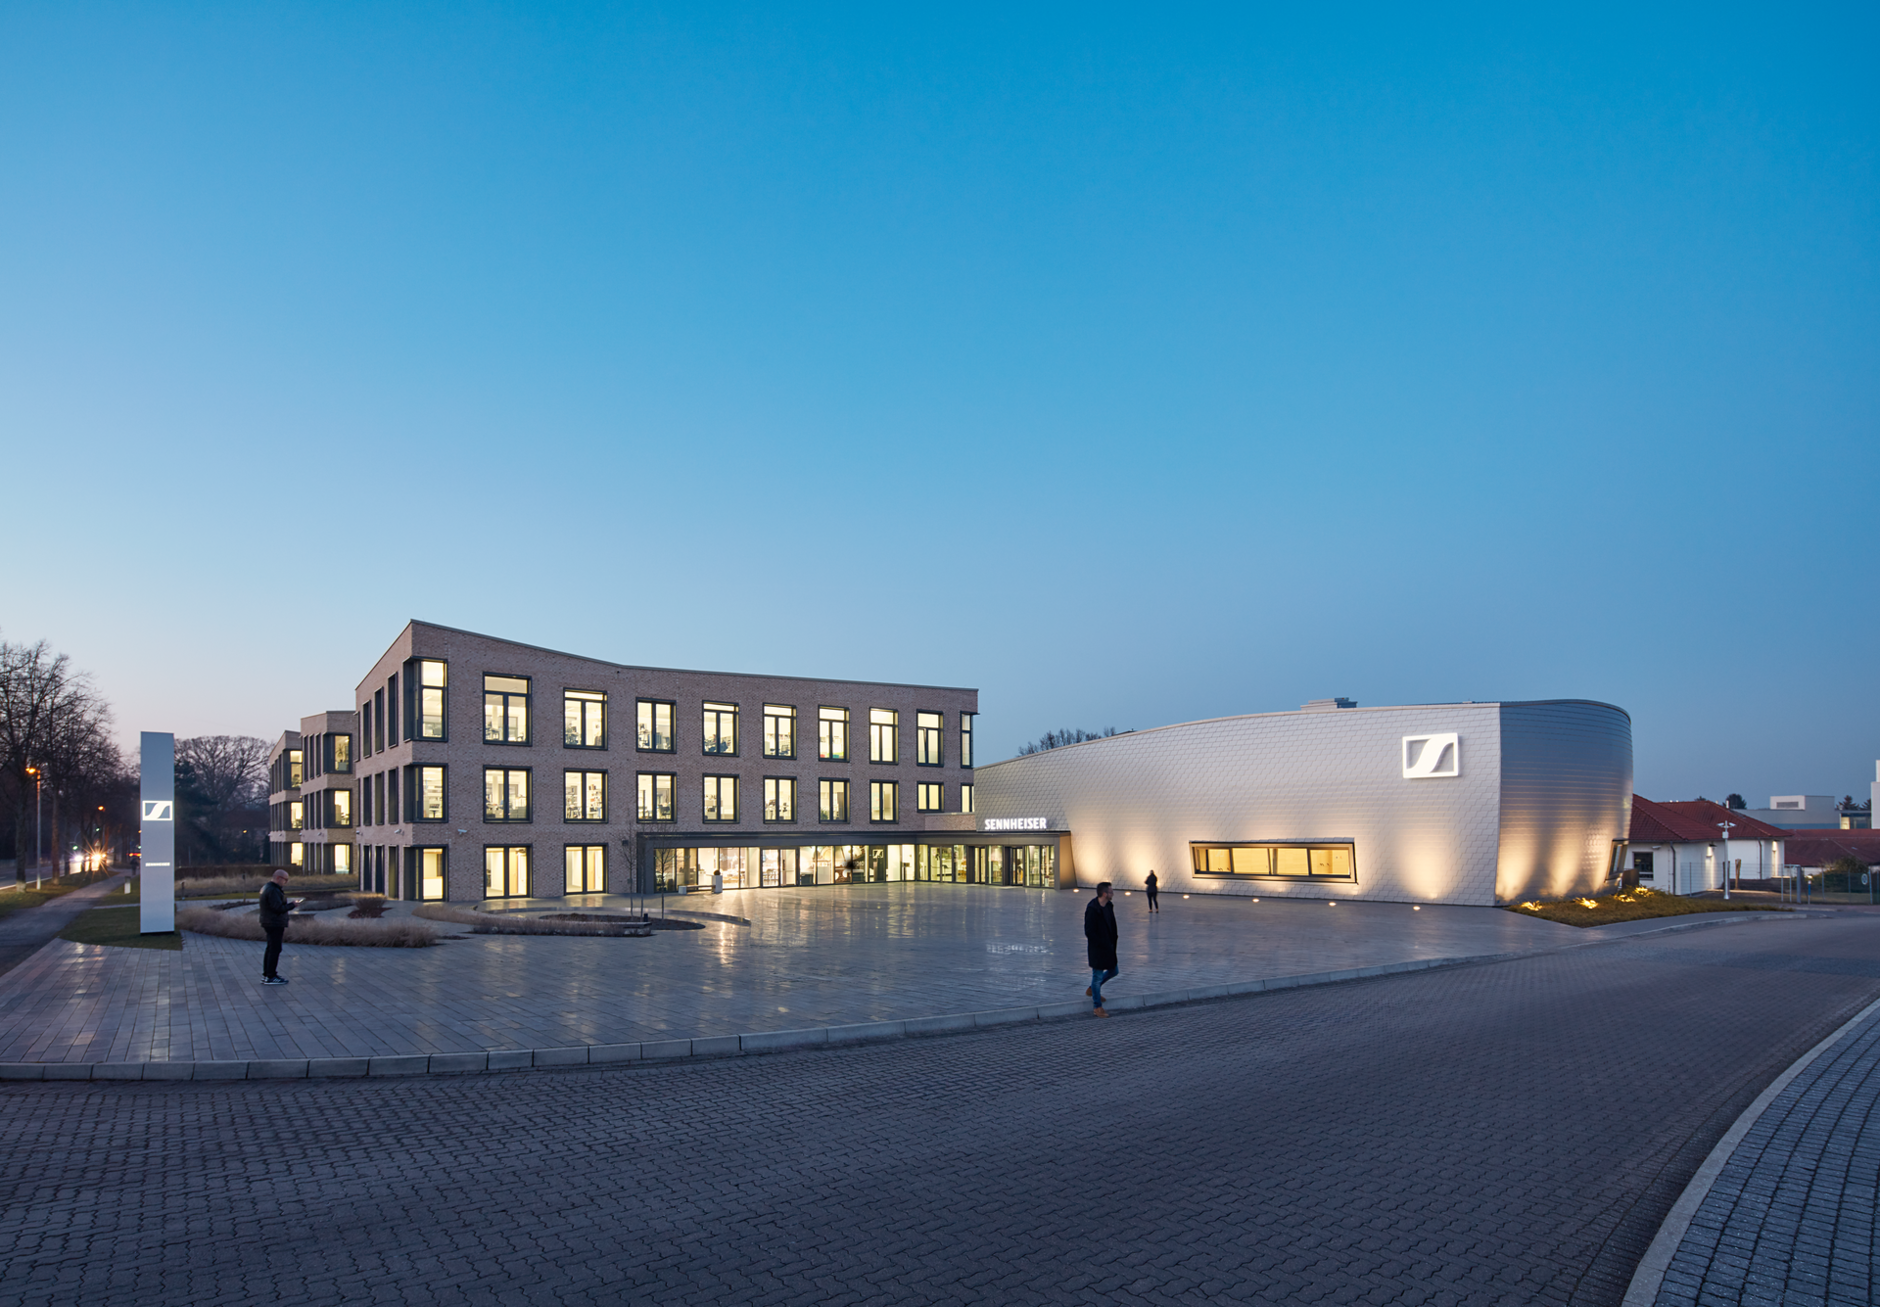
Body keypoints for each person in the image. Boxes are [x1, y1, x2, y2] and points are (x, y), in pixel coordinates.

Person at [258, 869, 299, 985]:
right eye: (285, 879)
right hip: (274, 923)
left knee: (271, 948)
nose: (286, 882)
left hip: (269, 922)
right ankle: (270, 976)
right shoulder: (273, 890)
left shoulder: (267, 888)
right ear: (278, 878)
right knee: (275, 949)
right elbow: (278, 908)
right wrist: (292, 905)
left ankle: (267, 974)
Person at [1084, 881, 1119, 1017]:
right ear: (1105, 894)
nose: (1112, 894)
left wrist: (1112, 942)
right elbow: (1089, 931)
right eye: (1110, 892)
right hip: (1098, 949)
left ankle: (1093, 989)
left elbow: (1112, 925)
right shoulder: (1092, 909)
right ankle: (1097, 1007)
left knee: (1114, 970)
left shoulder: (1109, 906)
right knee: (1097, 976)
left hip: (1109, 947)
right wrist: (1100, 944)